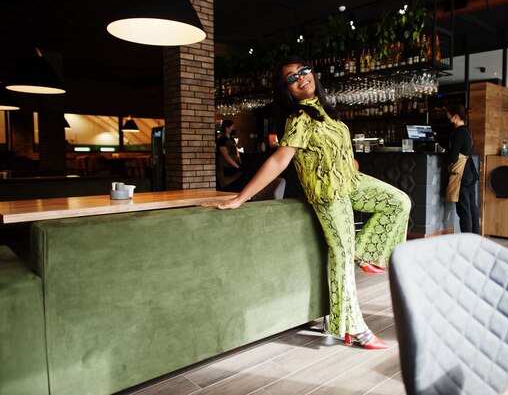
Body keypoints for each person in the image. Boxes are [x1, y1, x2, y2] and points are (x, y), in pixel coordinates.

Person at [204, 56, 411, 350]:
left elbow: (343, 150)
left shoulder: (328, 112)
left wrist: (348, 160)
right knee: (340, 254)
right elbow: (279, 160)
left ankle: (365, 254)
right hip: (327, 192)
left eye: (304, 71)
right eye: (292, 78)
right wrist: (241, 197)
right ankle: (353, 327)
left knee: (399, 201)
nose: (301, 78)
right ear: (287, 90)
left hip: (350, 181)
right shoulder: (299, 118)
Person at [446, 103, 480, 234]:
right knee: (472, 209)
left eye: (449, 115)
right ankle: (475, 239)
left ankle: (467, 242)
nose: (448, 118)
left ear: (455, 116)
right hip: (470, 173)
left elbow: (453, 157)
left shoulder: (458, 133)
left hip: (461, 176)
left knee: (464, 211)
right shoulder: (467, 130)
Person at [216, 120, 245, 191]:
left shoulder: (232, 140)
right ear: (227, 128)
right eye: (233, 127)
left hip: (233, 167)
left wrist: (240, 162)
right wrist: (237, 166)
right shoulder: (221, 140)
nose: (234, 129)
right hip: (225, 170)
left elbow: (236, 152)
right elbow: (226, 156)